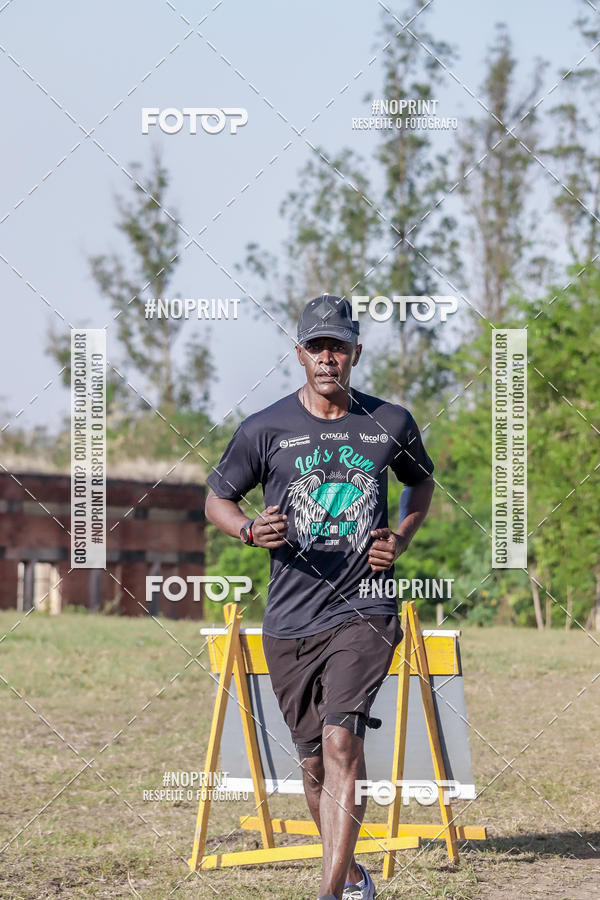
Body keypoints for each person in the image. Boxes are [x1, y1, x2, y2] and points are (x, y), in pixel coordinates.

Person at [205, 294, 435, 900]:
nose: (328, 357)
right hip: (289, 618)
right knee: (311, 762)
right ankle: (352, 874)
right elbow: (217, 499)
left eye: (338, 346)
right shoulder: (266, 429)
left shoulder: (390, 422)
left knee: (342, 741)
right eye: (317, 346)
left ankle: (329, 894)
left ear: (356, 351)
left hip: (366, 606)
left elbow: (420, 482)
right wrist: (250, 530)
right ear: (299, 353)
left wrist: (401, 539)